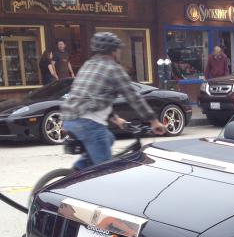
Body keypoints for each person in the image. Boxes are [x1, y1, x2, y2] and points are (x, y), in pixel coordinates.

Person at [61, 32, 165, 170]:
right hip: (89, 124)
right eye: (118, 49)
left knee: (108, 138)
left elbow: (93, 97)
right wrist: (153, 121)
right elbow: (133, 97)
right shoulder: (113, 68)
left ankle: (77, 171)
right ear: (114, 51)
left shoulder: (88, 65)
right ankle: (83, 181)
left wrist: (116, 119)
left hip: (69, 120)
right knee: (107, 171)